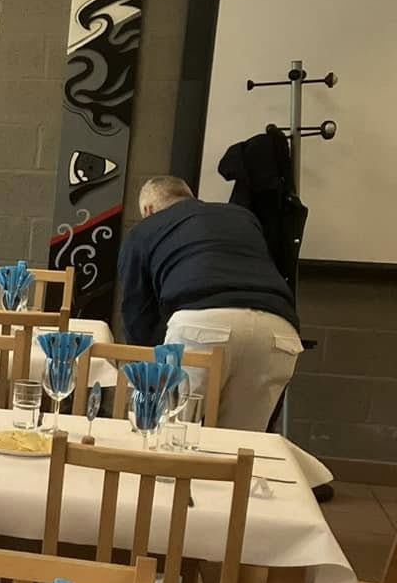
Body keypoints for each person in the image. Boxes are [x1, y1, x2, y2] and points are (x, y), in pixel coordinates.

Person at [119, 176, 303, 431]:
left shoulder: (144, 230)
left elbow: (138, 313)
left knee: (169, 434)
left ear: (148, 210)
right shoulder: (242, 217)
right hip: (278, 329)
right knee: (239, 445)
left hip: (202, 322)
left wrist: (146, 379)